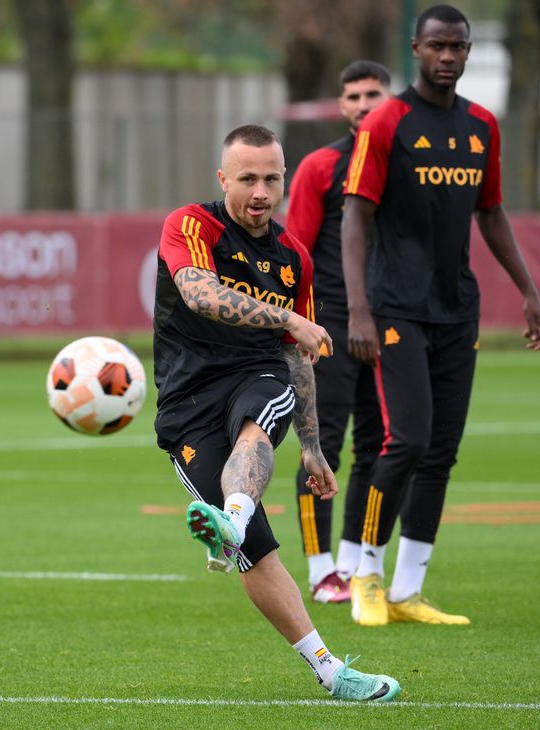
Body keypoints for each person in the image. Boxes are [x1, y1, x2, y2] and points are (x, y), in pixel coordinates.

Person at [153, 124, 400, 701]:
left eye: (271, 178)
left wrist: (312, 446)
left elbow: (297, 358)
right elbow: (198, 292)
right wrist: (287, 317)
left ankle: (231, 520)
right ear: (223, 179)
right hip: (185, 402)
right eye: (247, 179)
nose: (261, 192)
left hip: (255, 376)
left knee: (259, 417)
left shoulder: (294, 258)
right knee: (255, 552)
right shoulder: (191, 225)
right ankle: (328, 669)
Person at [341, 4, 540, 627]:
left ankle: (408, 592)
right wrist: (358, 309)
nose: (449, 56)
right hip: (395, 307)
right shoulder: (387, 122)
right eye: (437, 46)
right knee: (405, 440)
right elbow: (356, 215)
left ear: (468, 50)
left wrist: (529, 291)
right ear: (416, 48)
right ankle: (366, 576)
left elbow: (491, 213)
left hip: (458, 310)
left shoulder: (483, 125)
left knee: (441, 451)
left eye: (458, 47)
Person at [285, 60, 392, 606]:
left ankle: (353, 563)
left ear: (390, 97)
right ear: (342, 103)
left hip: (391, 326)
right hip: (328, 327)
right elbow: (295, 251)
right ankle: (319, 567)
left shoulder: (404, 163)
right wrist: (300, 328)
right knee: (320, 444)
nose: (364, 103)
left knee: (380, 445)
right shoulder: (320, 166)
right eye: (354, 95)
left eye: (374, 92)